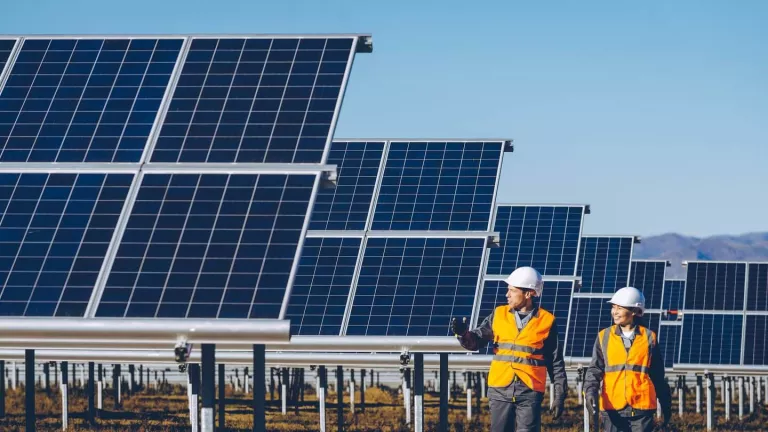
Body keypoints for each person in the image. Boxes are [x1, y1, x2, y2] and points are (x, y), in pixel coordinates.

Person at [451, 266, 567, 432]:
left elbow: (555, 361)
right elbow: (475, 341)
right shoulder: (499, 314)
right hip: (500, 388)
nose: (507, 294)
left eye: (512, 291)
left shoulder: (547, 320)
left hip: (530, 390)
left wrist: (560, 394)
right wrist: (463, 334)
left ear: (528, 293)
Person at [583, 286, 672, 432]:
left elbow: (657, 375)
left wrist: (666, 405)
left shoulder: (649, 337)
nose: (614, 312)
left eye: (619, 308)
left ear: (635, 311)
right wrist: (590, 391)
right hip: (612, 407)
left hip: (641, 409)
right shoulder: (603, 336)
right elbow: (595, 369)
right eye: (613, 307)